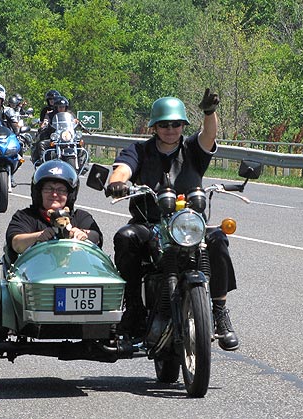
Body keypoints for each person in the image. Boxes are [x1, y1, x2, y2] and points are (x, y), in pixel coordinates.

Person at [106, 89, 240, 351]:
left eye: (176, 124)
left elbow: (208, 135)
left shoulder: (192, 150)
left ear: (183, 126)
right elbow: (122, 169)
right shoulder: (140, 150)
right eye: (164, 124)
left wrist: (210, 113)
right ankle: (133, 307)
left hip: (188, 225)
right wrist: (118, 183)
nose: (170, 129)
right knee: (126, 238)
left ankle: (220, 312)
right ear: (155, 127)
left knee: (219, 240)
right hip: (150, 223)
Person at [5, 159, 102, 264]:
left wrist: (82, 234)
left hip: (77, 273)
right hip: (34, 274)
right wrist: (38, 236)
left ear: (69, 195)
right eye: (48, 189)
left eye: (61, 190)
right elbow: (16, 243)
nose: (54, 194)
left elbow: (96, 237)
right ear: (39, 193)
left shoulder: (81, 216)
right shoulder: (25, 216)